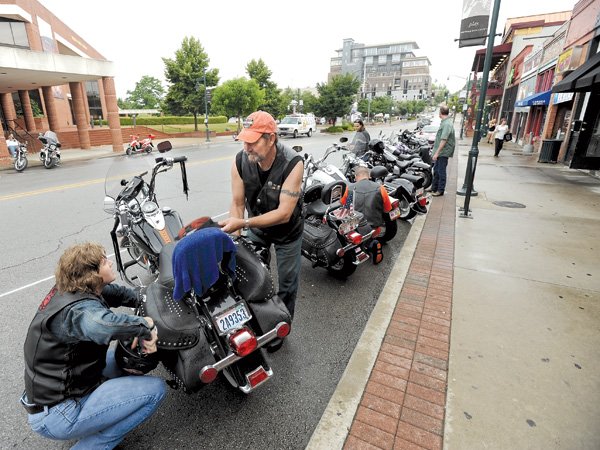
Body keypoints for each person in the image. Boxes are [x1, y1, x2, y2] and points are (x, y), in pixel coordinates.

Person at [22, 242, 166, 449]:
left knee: (124, 359)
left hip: (56, 389)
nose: (110, 262)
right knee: (156, 390)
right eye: (104, 261)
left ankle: (99, 412)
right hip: (58, 413)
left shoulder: (77, 289)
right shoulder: (79, 311)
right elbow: (102, 326)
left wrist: (156, 298)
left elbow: (124, 295)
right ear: (91, 275)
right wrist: (145, 326)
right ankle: (98, 443)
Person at [218, 111, 304, 321]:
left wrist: (244, 222)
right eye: (244, 141)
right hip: (257, 228)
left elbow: (284, 214)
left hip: (287, 232)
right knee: (249, 274)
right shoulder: (240, 161)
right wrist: (235, 239)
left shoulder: (293, 163)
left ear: (271, 138)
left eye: (253, 142)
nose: (246, 148)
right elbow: (238, 203)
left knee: (286, 284)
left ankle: (282, 322)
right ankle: (259, 318)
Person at [340, 166, 390, 264]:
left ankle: (362, 248)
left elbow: (345, 209)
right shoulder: (380, 188)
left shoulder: (350, 189)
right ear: (369, 176)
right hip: (375, 228)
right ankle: (372, 243)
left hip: (357, 229)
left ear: (355, 177)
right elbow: (387, 209)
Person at [431, 106, 456, 197]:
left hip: (443, 152)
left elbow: (444, 140)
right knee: (436, 170)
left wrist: (437, 153)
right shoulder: (445, 122)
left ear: (441, 113)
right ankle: (434, 187)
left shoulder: (447, 124)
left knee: (441, 171)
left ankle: (440, 190)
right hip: (441, 152)